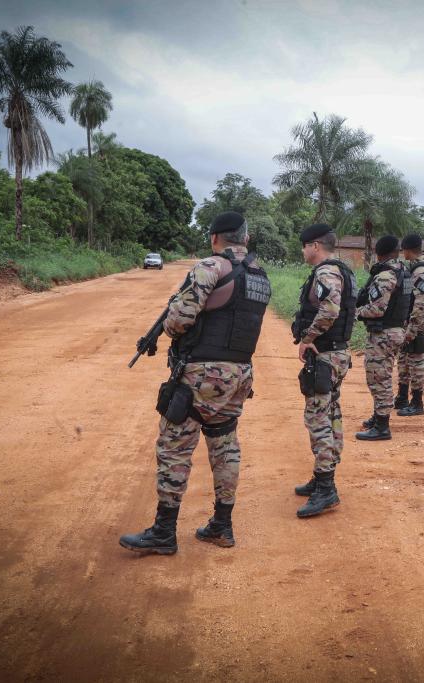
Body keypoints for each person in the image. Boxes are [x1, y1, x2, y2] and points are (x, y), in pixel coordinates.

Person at [120, 211, 271, 555]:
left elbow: (178, 321)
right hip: (239, 375)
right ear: (244, 238)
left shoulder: (210, 267)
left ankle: (163, 532)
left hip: (201, 374)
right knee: (225, 447)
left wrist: (173, 326)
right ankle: (221, 525)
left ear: (215, 238)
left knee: (174, 447)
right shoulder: (260, 274)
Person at [291, 224, 356, 517]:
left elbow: (330, 310)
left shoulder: (326, 272)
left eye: (304, 246)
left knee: (317, 417)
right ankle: (321, 477)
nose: (303, 251)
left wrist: (308, 338)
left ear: (315, 246)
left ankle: (327, 488)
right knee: (331, 413)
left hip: (326, 354)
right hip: (337, 353)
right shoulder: (342, 270)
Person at [355, 235, 411, 441]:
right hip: (395, 330)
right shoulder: (404, 271)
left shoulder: (386, 275)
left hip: (384, 334)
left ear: (379, 253)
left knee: (379, 378)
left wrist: (355, 312)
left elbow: (377, 309)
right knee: (382, 375)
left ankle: (382, 426)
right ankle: (379, 416)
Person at [395, 233, 424, 417]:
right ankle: (402, 397)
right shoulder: (414, 267)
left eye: (403, 250)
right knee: (403, 361)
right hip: (407, 322)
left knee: (416, 363)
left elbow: (422, 303)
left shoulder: (421, 270)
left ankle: (417, 402)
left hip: (416, 324)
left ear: (408, 250)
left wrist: (412, 328)